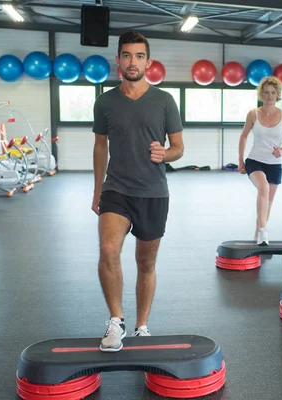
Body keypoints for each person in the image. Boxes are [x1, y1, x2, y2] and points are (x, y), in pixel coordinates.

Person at [91, 31, 184, 352]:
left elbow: (179, 148)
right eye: (127, 55)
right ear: (118, 60)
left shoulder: (164, 101)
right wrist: (96, 191)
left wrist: (165, 153)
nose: (133, 62)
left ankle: (141, 325)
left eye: (139, 56)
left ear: (148, 61)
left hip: (154, 192)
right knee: (108, 249)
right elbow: (100, 147)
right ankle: (116, 321)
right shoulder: (104, 101)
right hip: (116, 189)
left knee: (146, 264)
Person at [238, 76, 282, 245]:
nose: (270, 95)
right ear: (261, 94)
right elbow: (243, 136)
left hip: (274, 165)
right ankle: (264, 231)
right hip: (255, 160)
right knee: (263, 188)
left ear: (278, 95)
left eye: (273, 92)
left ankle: (258, 236)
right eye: (266, 92)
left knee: (268, 202)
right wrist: (241, 160)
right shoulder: (253, 114)